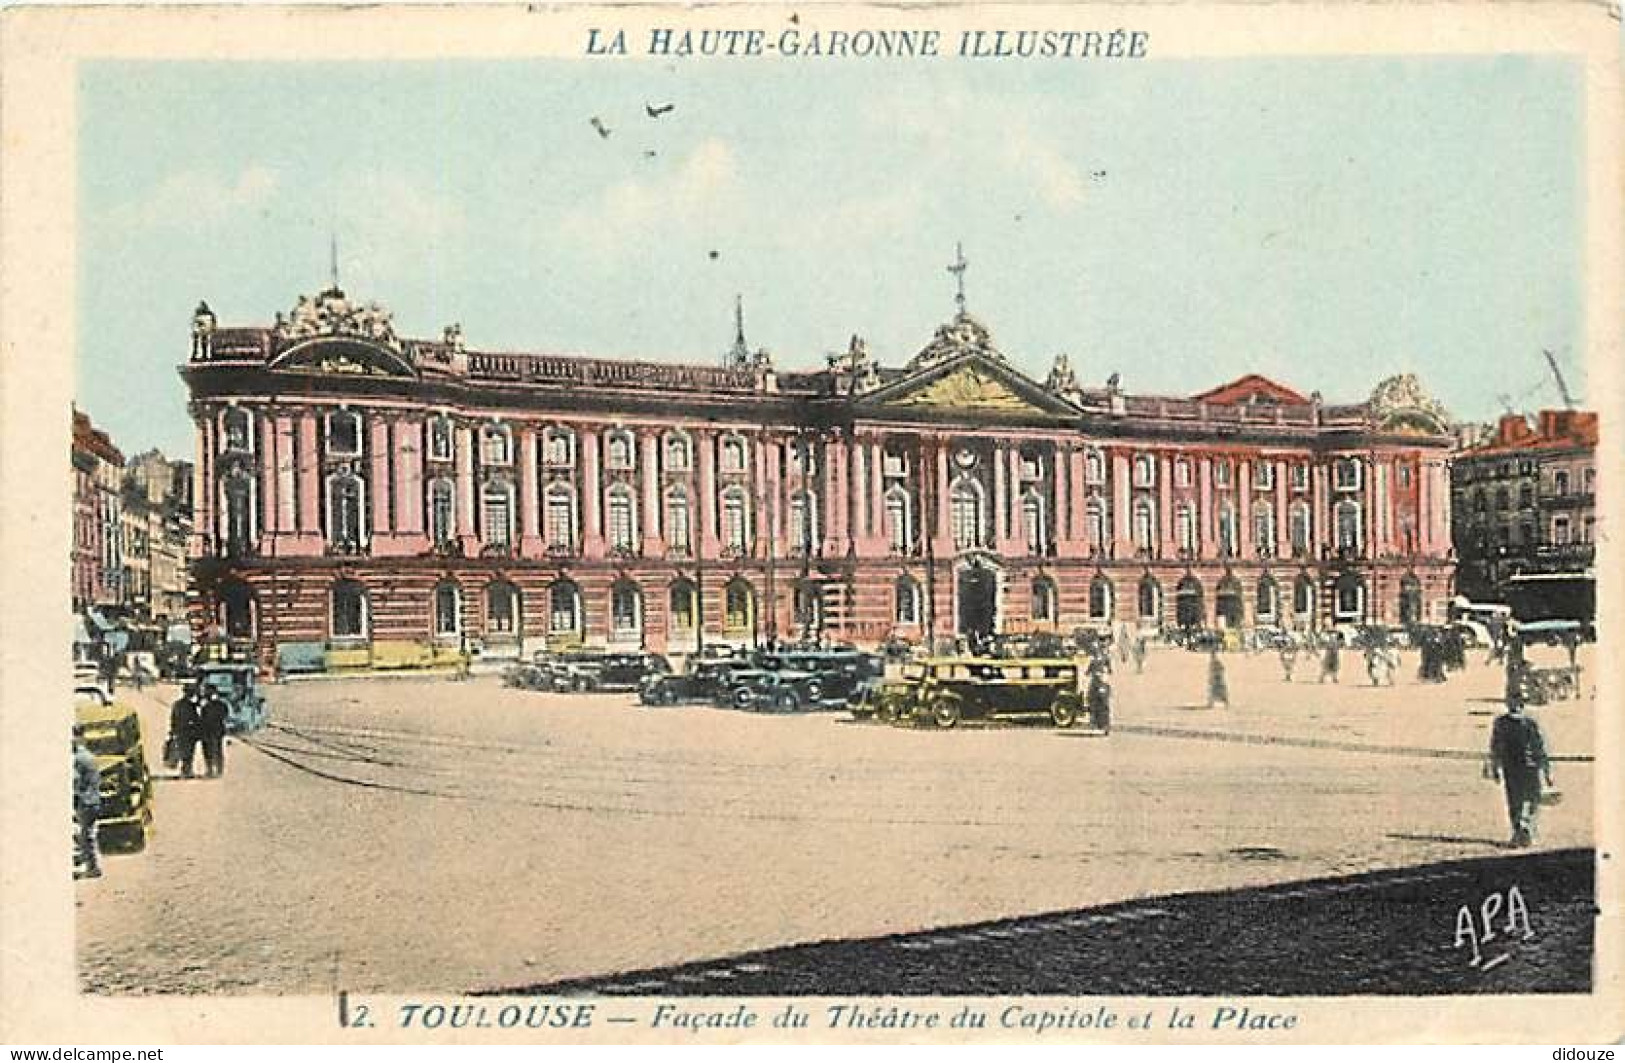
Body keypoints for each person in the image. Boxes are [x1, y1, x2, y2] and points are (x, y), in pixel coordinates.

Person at [1488, 695, 1552, 848]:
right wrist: (1494, 766)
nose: (1515, 707)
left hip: (1526, 767)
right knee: (1518, 801)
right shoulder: (1504, 723)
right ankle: (1521, 830)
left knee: (1529, 799)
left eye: (1518, 704)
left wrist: (1546, 770)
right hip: (1515, 768)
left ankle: (1526, 829)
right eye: (1512, 704)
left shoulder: (1526, 723)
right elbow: (1496, 746)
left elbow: (1539, 747)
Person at [73, 726, 102, 879]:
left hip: (85, 800)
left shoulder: (78, 758)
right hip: (94, 799)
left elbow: (76, 781)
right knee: (88, 834)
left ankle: (92, 867)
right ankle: (90, 864)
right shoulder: (89, 755)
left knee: (85, 836)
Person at [167, 685, 201, 778]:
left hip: (182, 731)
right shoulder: (189, 705)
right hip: (187, 731)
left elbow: (173, 718)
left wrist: (172, 730)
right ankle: (186, 770)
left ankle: (186, 769)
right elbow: (195, 718)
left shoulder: (178, 704)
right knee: (188, 751)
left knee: (185, 751)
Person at [198, 685, 229, 778]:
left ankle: (212, 770)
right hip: (217, 731)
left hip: (210, 731)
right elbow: (225, 716)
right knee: (217, 750)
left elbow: (203, 718)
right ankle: (218, 770)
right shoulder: (222, 705)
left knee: (209, 751)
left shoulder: (206, 706)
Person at [1087, 662, 1112, 733]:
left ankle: (1103, 725)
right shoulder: (1094, 683)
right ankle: (1095, 725)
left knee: (1104, 707)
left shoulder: (1104, 683)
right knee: (1095, 707)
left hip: (1101, 688)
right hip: (1096, 690)